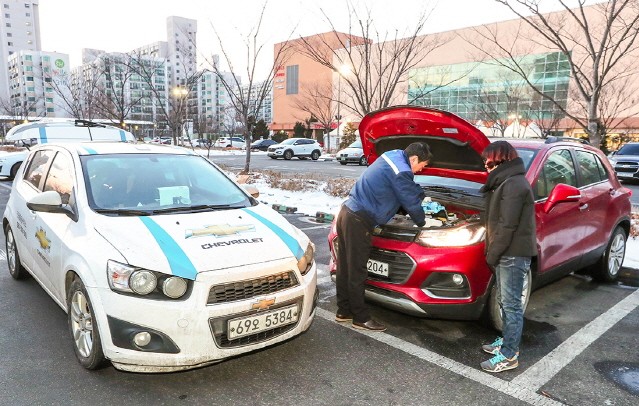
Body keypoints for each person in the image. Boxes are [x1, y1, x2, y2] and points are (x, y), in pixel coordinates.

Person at [335, 142, 432, 332]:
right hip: (359, 220)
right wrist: (423, 222)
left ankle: (344, 311)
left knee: (345, 267)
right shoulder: (402, 170)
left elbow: (404, 189)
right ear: (414, 159)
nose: (422, 169)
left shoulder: (393, 155)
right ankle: (360, 318)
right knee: (357, 271)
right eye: (423, 165)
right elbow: (410, 201)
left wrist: (420, 194)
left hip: (348, 212)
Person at [478, 141, 536, 373]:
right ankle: (506, 342)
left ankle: (510, 355)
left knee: (511, 306)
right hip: (509, 253)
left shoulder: (513, 184)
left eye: (487, 159)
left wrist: (492, 254)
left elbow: (507, 225)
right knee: (504, 301)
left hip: (512, 254)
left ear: (498, 158)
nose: (484, 164)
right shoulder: (508, 181)